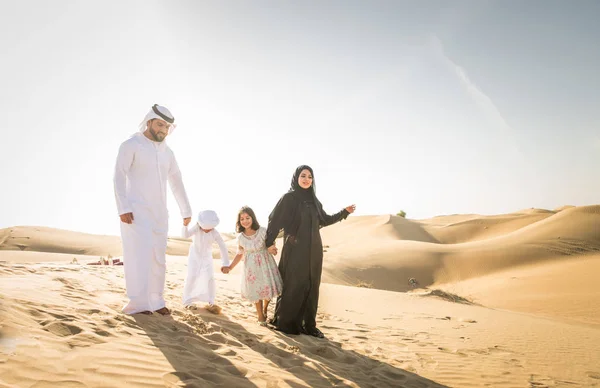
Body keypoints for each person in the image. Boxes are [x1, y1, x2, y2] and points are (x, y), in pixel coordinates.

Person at [113, 104, 192, 316]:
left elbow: (176, 180)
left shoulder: (168, 152)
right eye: (159, 125)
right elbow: (119, 176)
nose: (163, 131)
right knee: (138, 256)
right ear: (149, 122)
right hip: (136, 212)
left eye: (167, 127)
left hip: (160, 214)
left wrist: (185, 210)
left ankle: (156, 301)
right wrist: (123, 207)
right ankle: (138, 304)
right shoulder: (131, 145)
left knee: (159, 258)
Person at [265, 165, 356, 338]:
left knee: (311, 285)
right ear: (296, 178)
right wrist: (269, 242)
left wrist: (344, 212)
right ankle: (286, 322)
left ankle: (307, 324)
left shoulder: (314, 201)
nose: (306, 179)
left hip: (314, 251)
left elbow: (325, 220)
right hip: (295, 249)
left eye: (310, 176)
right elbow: (275, 220)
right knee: (293, 283)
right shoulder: (289, 198)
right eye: (303, 176)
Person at [223, 206, 283, 326]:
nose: (245, 221)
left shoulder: (262, 231)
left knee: (267, 288)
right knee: (256, 291)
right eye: (242, 219)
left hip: (265, 263)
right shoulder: (240, 237)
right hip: (251, 267)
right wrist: (230, 267)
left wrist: (272, 248)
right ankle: (260, 316)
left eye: (247, 218)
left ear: (252, 218)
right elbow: (239, 254)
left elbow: (270, 243)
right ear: (239, 221)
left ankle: (265, 308)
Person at [181, 210, 230, 314]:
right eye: (205, 228)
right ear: (200, 224)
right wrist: (185, 225)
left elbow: (223, 247)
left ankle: (211, 301)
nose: (207, 230)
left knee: (209, 278)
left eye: (210, 228)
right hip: (194, 256)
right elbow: (185, 235)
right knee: (192, 276)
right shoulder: (196, 228)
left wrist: (225, 263)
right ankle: (187, 301)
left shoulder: (215, 233)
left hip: (207, 258)